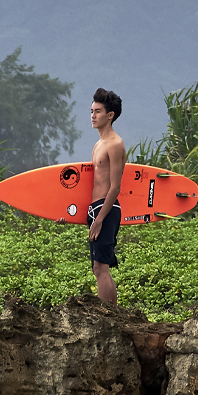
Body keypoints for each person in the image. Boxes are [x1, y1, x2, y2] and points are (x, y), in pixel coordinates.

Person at [84, 88, 127, 307]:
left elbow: (115, 187)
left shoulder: (115, 144)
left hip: (106, 210)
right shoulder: (98, 145)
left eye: (98, 111)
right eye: (92, 111)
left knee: (102, 267)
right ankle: (109, 313)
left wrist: (100, 219)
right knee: (97, 267)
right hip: (95, 209)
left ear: (110, 115)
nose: (93, 116)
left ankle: (108, 314)